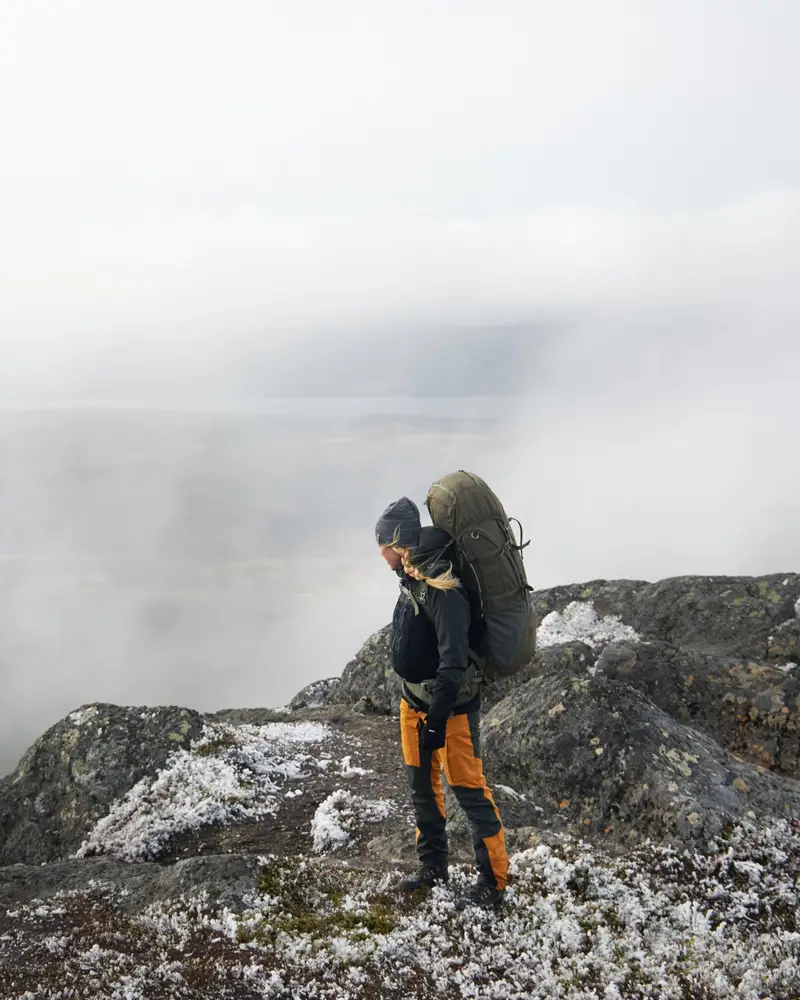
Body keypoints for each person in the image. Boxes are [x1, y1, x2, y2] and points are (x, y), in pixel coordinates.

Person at [375, 496, 508, 909]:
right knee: (421, 786)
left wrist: (436, 719)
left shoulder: (444, 588)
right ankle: (433, 868)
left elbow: (453, 662)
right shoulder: (412, 575)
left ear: (399, 544)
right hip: (412, 703)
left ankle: (494, 883)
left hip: (450, 710)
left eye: (382, 544)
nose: (379, 553)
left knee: (468, 790)